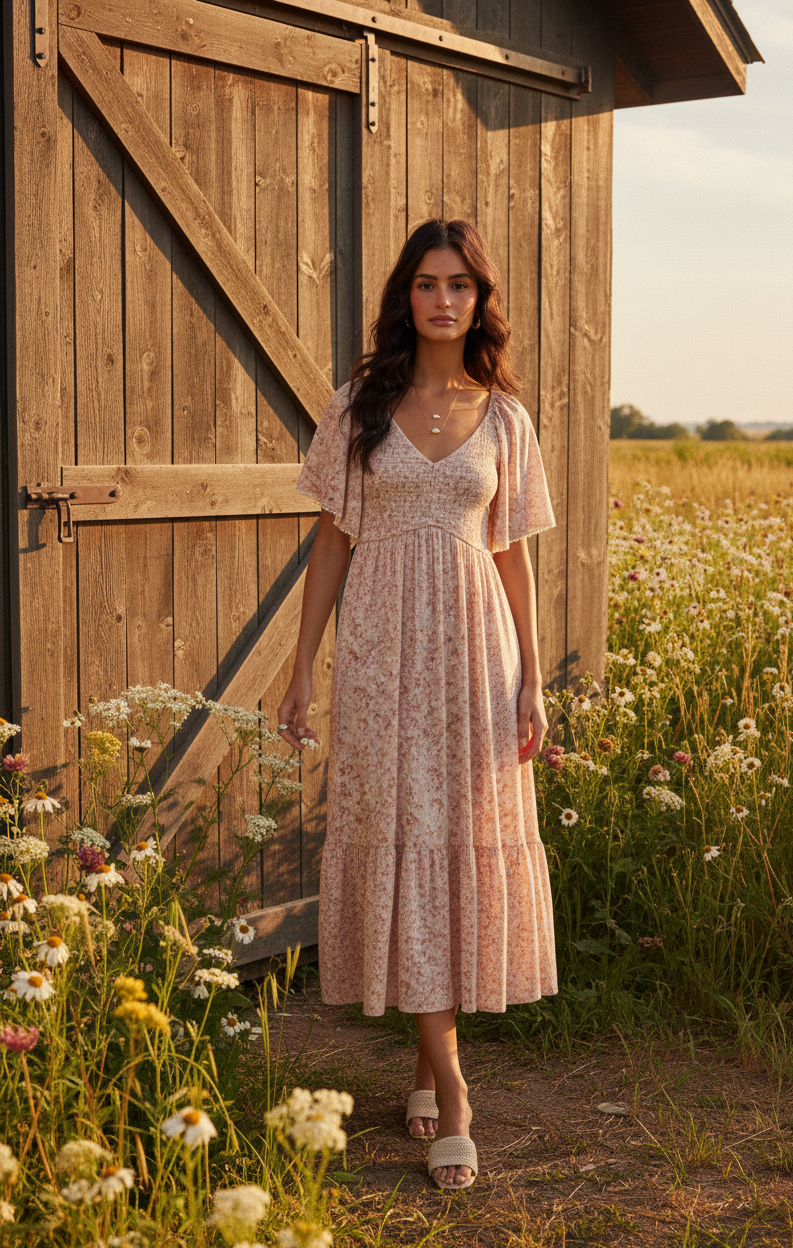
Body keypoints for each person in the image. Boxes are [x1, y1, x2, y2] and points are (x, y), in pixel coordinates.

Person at [276, 218, 558, 1192]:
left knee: (453, 842)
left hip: (475, 655)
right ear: (406, 296)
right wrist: (297, 667)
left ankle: (425, 1070)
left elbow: (513, 553)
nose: (443, 300)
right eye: (427, 283)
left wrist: (531, 674)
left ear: (479, 302)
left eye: (460, 286)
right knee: (398, 832)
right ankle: (454, 1088)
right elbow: (330, 543)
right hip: (379, 657)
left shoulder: (506, 419)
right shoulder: (358, 405)